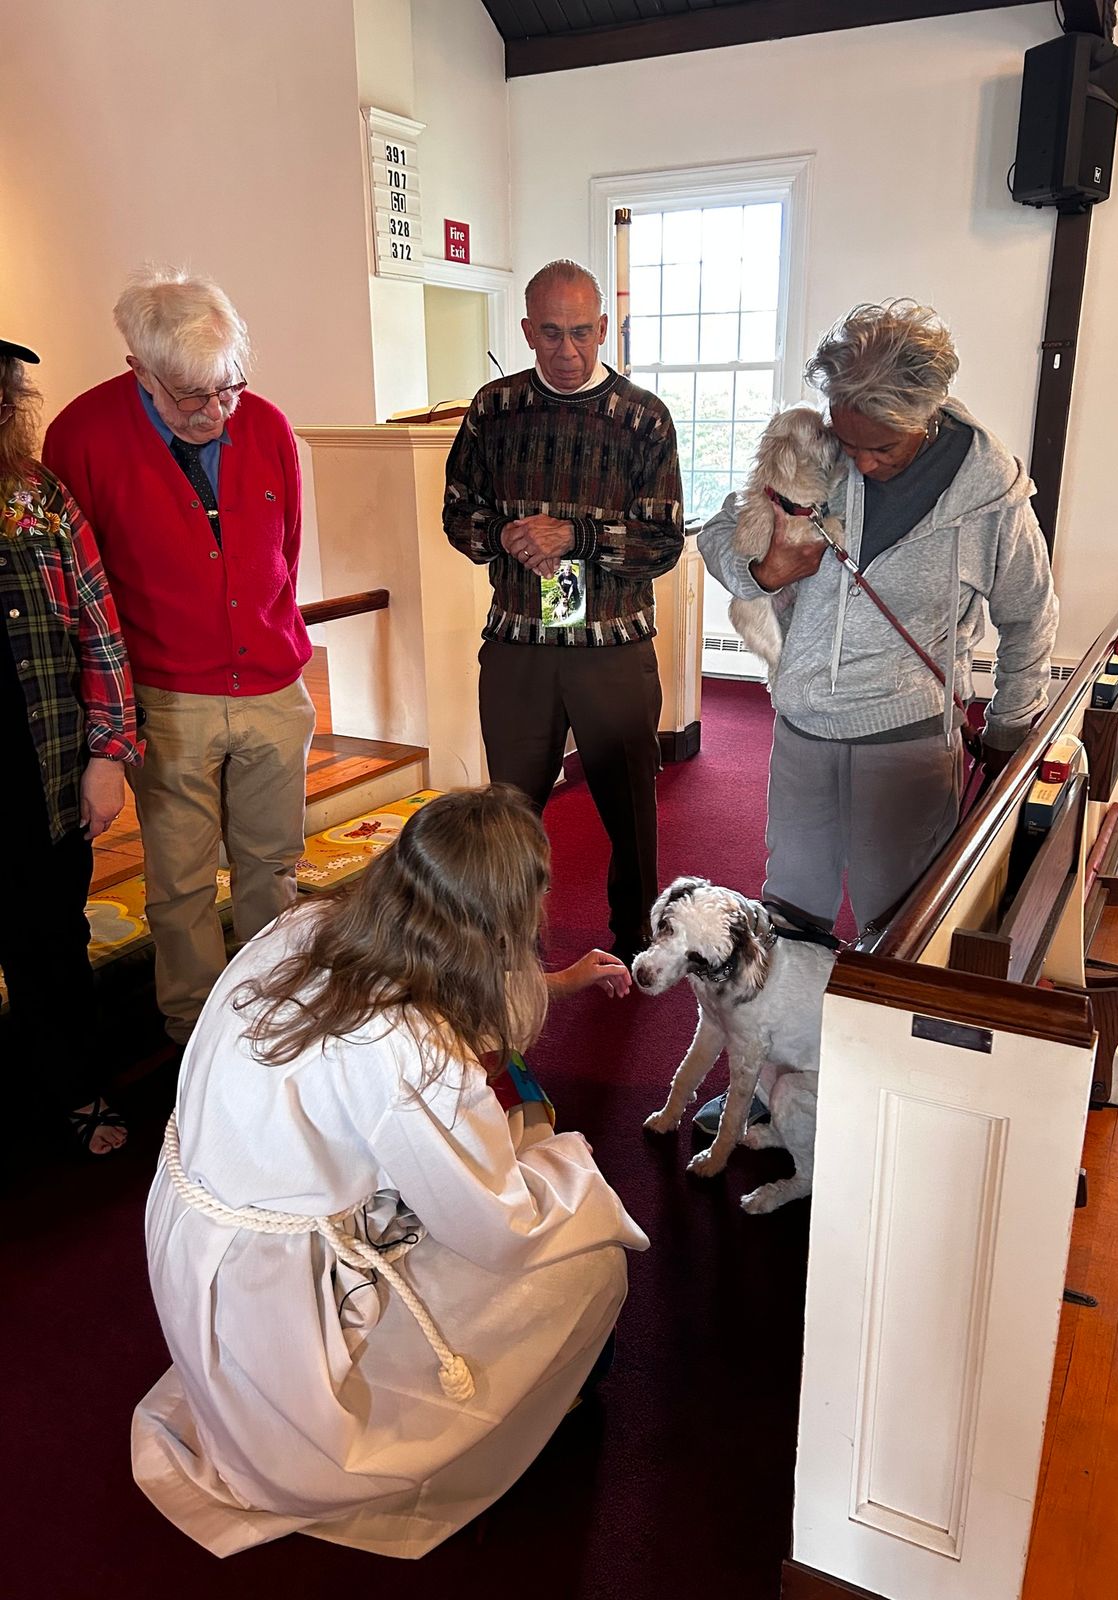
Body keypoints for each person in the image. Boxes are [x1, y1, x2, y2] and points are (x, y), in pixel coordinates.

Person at [132, 785, 647, 1559]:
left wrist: (556, 985)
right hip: (274, 1294)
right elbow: (497, 1228)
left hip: (197, 1240)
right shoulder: (409, 1048)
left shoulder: (307, 922)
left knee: (505, 1138)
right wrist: (569, 1168)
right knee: (589, 1260)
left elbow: (443, 1002)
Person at [700, 300, 1058, 940]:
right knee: (788, 917)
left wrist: (1009, 729)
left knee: (901, 929)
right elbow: (719, 530)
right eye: (849, 441)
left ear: (924, 419)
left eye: (882, 447)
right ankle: (788, 1040)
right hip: (802, 724)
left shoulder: (990, 502)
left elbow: (1030, 618)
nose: (860, 464)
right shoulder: (816, 450)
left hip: (908, 743)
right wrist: (762, 572)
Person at [43, 268, 315, 1048]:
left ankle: (279, 1011)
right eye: (191, 396)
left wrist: (269, 635)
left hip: (271, 682)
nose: (215, 412)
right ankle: (196, 1035)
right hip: (165, 693)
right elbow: (79, 585)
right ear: (141, 372)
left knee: (273, 866)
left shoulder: (263, 423)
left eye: (226, 389)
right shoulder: (82, 435)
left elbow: (283, 551)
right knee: (181, 882)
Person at [443, 260, 684, 966]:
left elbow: (664, 542)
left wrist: (577, 536)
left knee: (630, 810)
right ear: (526, 330)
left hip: (612, 646)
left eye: (582, 333)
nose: (568, 352)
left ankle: (637, 937)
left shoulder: (644, 417)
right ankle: (504, 944)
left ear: (604, 328)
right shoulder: (494, 408)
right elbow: (460, 516)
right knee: (508, 814)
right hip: (519, 644)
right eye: (550, 334)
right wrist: (504, 537)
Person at [0, 337, 141, 1153]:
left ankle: (78, 1087)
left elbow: (100, 631)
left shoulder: (40, 496)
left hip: (45, 765)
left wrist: (106, 755)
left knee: (53, 942)